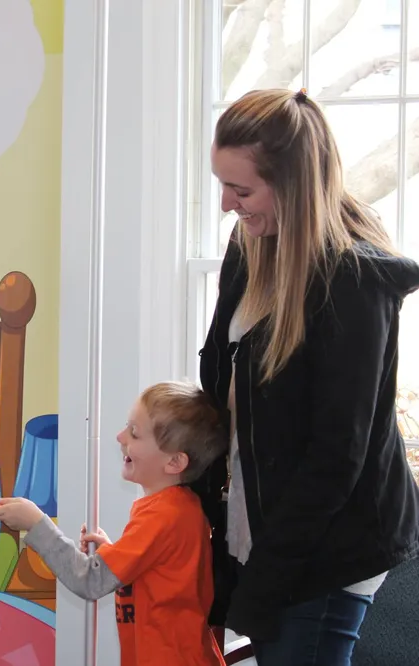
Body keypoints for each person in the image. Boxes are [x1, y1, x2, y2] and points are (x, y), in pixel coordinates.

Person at [194, 87, 419, 665]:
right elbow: (222, 386)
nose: (226, 204)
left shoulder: (353, 285)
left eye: (241, 190)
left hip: (331, 546)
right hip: (269, 531)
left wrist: (265, 582)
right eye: (222, 184)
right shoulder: (250, 247)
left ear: (292, 187)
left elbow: (335, 457)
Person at [0, 381, 228, 666]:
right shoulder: (175, 509)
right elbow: (161, 578)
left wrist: (37, 524)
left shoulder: (165, 515)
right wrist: (114, 553)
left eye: (135, 433)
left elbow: (89, 581)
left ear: (174, 462)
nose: (120, 436)